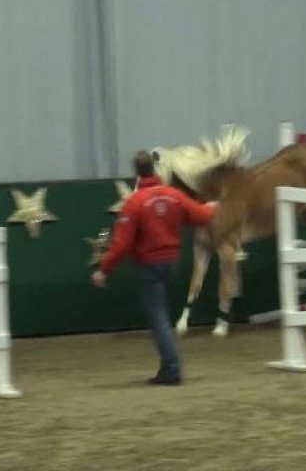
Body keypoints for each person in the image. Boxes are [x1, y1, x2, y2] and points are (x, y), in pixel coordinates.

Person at [91, 150, 216, 386]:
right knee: (162, 313)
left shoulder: (134, 204)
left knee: (158, 316)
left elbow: (121, 244)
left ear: (137, 173)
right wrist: (214, 206)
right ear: (155, 170)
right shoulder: (173, 195)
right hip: (171, 261)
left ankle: (171, 368)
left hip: (149, 265)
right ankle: (168, 366)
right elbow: (200, 215)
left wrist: (103, 270)